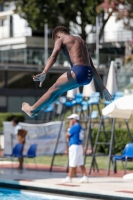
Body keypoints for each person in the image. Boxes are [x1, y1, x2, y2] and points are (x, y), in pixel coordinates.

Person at [22, 26, 112, 117]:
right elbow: (92, 67)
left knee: (52, 89)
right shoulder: (82, 41)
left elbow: (53, 57)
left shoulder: (61, 39)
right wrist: (103, 87)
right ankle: (37, 109)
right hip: (88, 75)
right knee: (58, 92)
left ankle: (32, 109)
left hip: (78, 71)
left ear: (57, 36)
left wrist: (44, 72)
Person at [62, 113, 88, 183]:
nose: (70, 120)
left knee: (72, 162)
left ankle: (69, 177)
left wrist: (70, 127)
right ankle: (85, 176)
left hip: (74, 146)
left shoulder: (74, 127)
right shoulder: (80, 126)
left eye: (71, 119)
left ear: (74, 119)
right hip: (79, 146)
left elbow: (67, 135)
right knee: (81, 162)